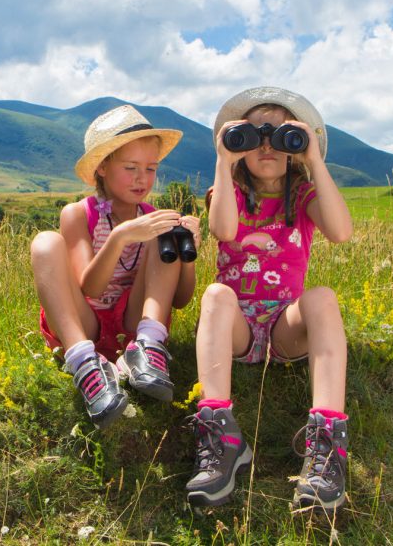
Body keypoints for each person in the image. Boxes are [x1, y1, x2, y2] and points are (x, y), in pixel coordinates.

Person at [185, 87, 353, 513]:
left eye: (280, 135)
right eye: (254, 134)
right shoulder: (230, 193)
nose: (266, 144)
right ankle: (219, 433)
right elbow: (224, 230)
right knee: (216, 293)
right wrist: (224, 163)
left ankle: (327, 445)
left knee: (323, 298)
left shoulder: (303, 196)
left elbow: (340, 232)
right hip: (237, 326)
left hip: (284, 327)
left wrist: (314, 161)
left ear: (295, 146)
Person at [31, 105, 200, 429]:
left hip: (135, 324)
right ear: (103, 168)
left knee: (161, 228)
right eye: (131, 167)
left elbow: (179, 300)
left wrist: (187, 252)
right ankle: (83, 362)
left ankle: (148, 349)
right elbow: (89, 287)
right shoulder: (81, 214)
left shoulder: (151, 214)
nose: (142, 178)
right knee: (45, 242)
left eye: (151, 169)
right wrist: (120, 236)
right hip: (87, 323)